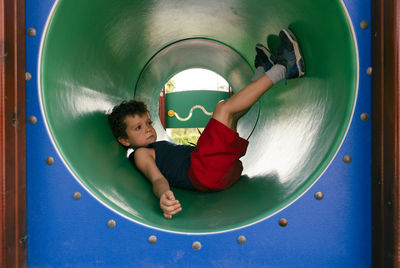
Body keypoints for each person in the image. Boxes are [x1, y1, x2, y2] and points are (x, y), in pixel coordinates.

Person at [108, 29, 305, 219]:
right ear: (124, 140)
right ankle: (285, 68)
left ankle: (263, 73)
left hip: (216, 171)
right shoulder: (141, 154)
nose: (149, 129)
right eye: (138, 128)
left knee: (232, 114)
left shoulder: (151, 148)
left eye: (148, 122)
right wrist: (164, 195)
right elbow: (157, 179)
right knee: (223, 109)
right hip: (204, 171)